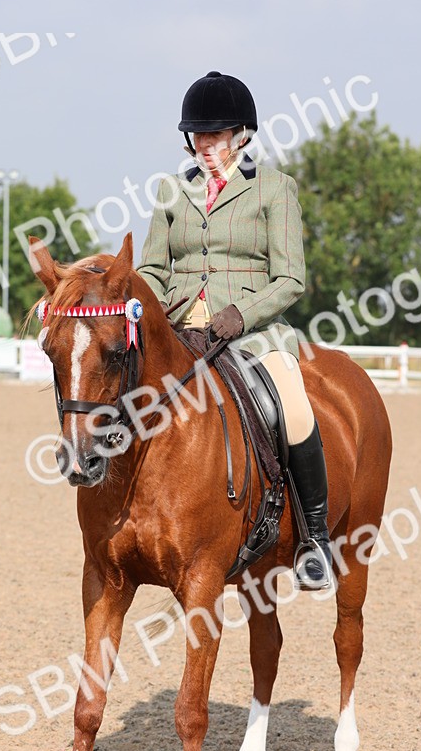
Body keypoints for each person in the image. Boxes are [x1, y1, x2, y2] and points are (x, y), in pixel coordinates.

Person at [137, 70, 333, 591]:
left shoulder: (273, 188)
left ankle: (316, 540)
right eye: (198, 136)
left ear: (241, 135)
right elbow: (152, 271)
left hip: (252, 334)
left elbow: (291, 277)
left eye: (216, 136)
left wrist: (241, 315)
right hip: (179, 331)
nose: (206, 146)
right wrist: (149, 312)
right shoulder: (171, 191)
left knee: (290, 404)